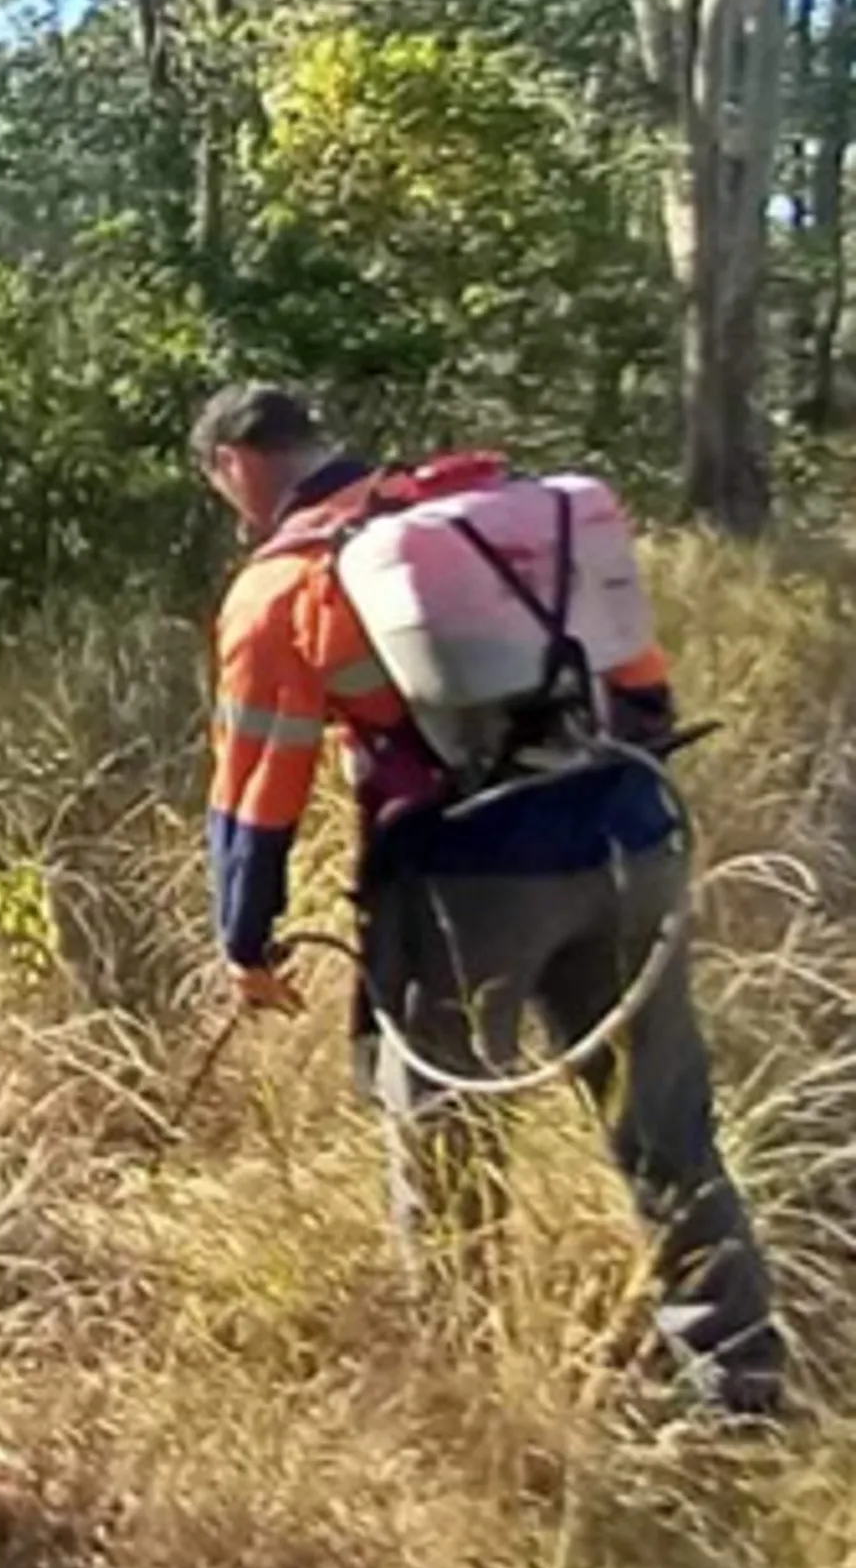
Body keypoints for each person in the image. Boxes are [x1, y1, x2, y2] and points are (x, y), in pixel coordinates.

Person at [192, 383, 783, 1416]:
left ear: (235, 464)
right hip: (631, 839)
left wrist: (243, 938)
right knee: (667, 1128)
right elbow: (642, 686)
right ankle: (739, 1382)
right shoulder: (502, 517)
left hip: (466, 885)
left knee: (447, 1143)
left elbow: (255, 790)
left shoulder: (285, 583)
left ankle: (475, 1404)